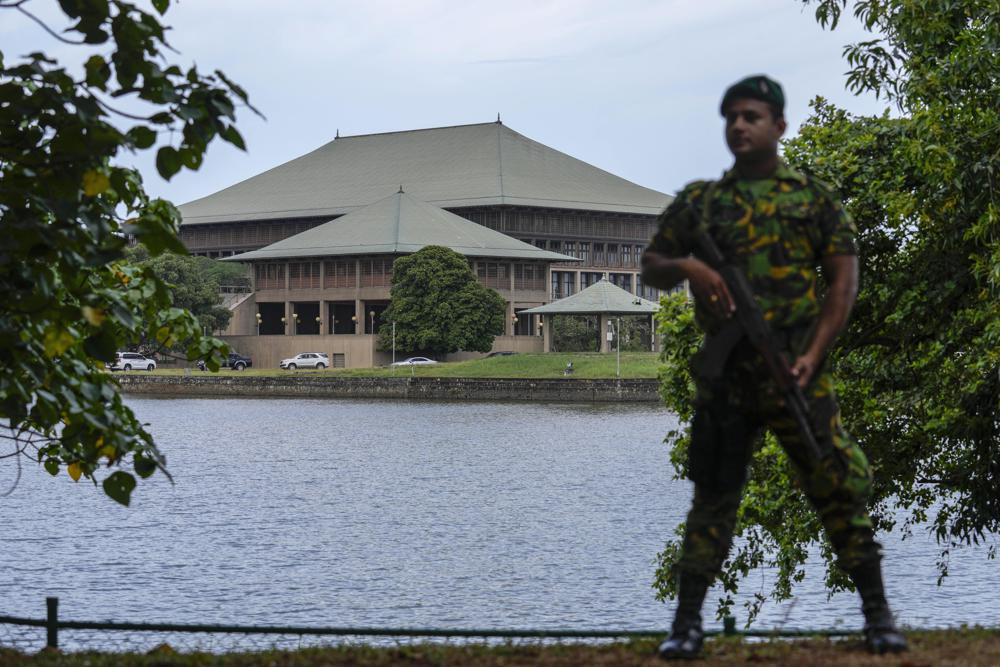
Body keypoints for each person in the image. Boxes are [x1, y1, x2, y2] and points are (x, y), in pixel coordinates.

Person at [640, 75, 907, 660]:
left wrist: (813, 355)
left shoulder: (814, 200)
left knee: (838, 486)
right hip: (727, 378)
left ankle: (878, 617)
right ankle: (685, 627)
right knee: (713, 500)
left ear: (778, 126)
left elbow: (842, 286)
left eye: (752, 116)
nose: (739, 125)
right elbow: (652, 264)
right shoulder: (702, 203)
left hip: (795, 371)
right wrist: (693, 268)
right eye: (732, 116)